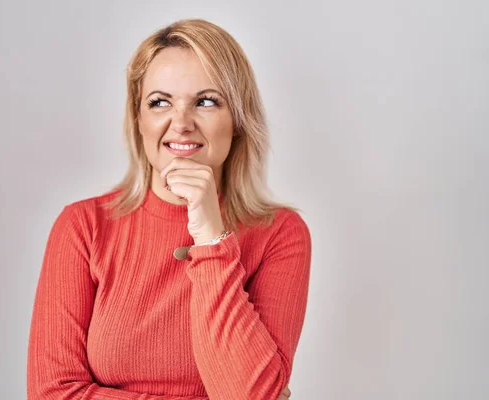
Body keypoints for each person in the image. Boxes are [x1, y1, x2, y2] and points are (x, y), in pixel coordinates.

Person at [27, 18, 311, 400]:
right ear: (138, 119)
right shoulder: (83, 227)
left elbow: (250, 395)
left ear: (238, 121)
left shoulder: (280, 233)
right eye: (159, 102)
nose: (181, 123)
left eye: (206, 101)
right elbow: (52, 394)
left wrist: (212, 238)